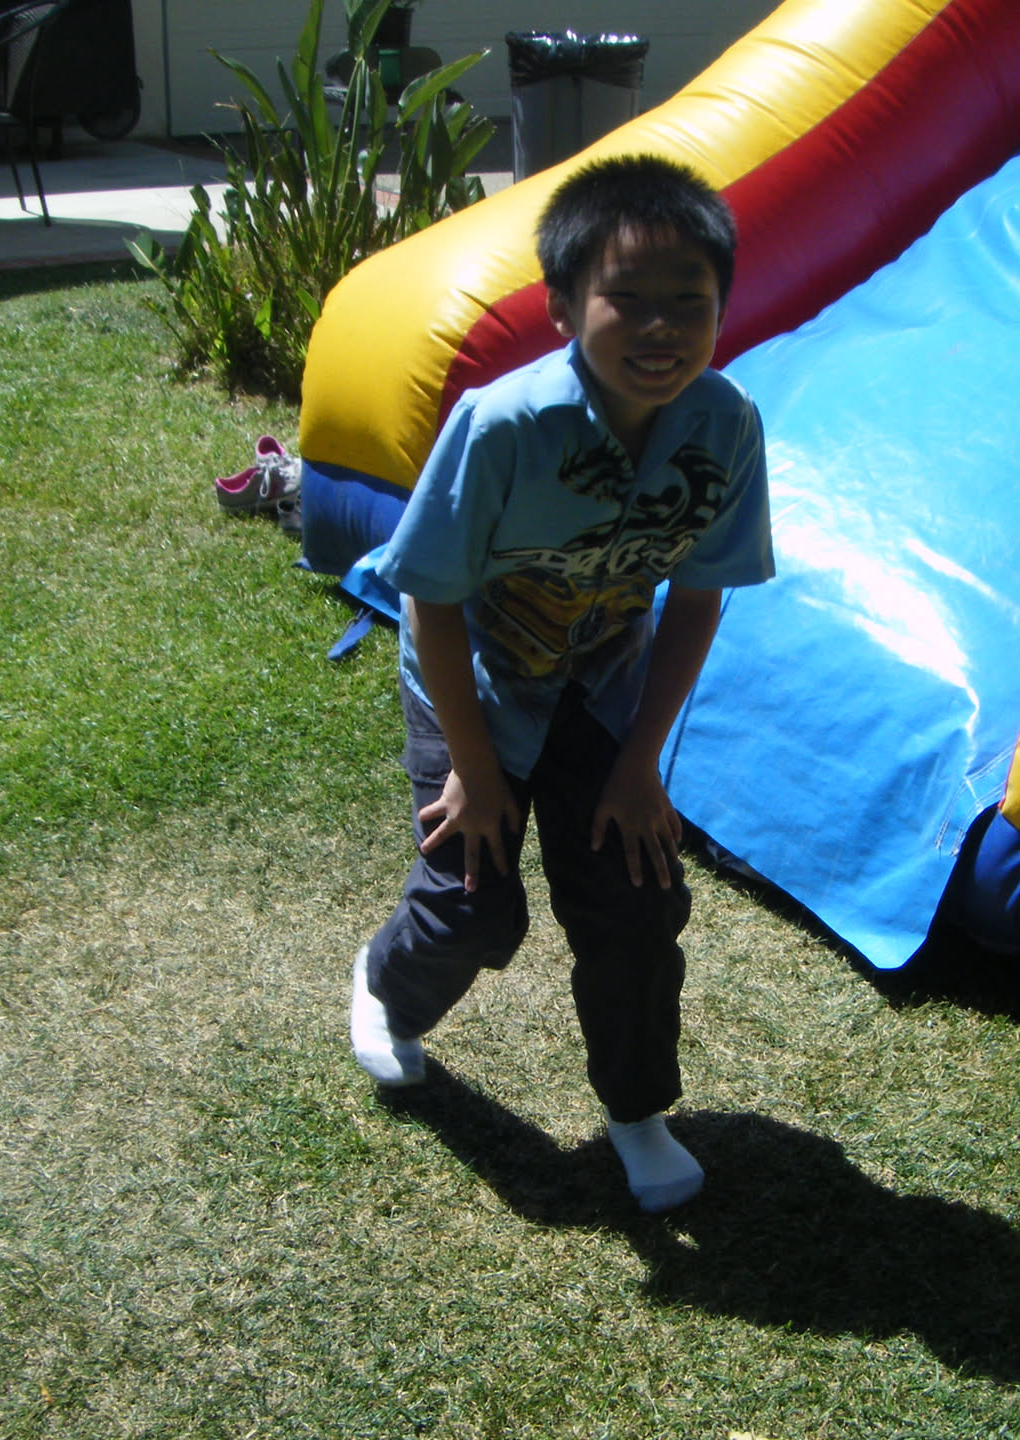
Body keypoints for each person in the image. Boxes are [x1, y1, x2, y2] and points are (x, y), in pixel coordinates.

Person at [348, 154, 774, 1213]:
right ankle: (385, 985)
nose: (661, 327)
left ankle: (637, 1111)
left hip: (603, 686)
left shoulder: (725, 427)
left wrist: (639, 767)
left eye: (690, 302)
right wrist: (476, 769)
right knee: (473, 903)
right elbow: (432, 602)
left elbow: (697, 598)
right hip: (478, 680)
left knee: (636, 901)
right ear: (562, 307)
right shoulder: (503, 427)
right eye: (627, 298)